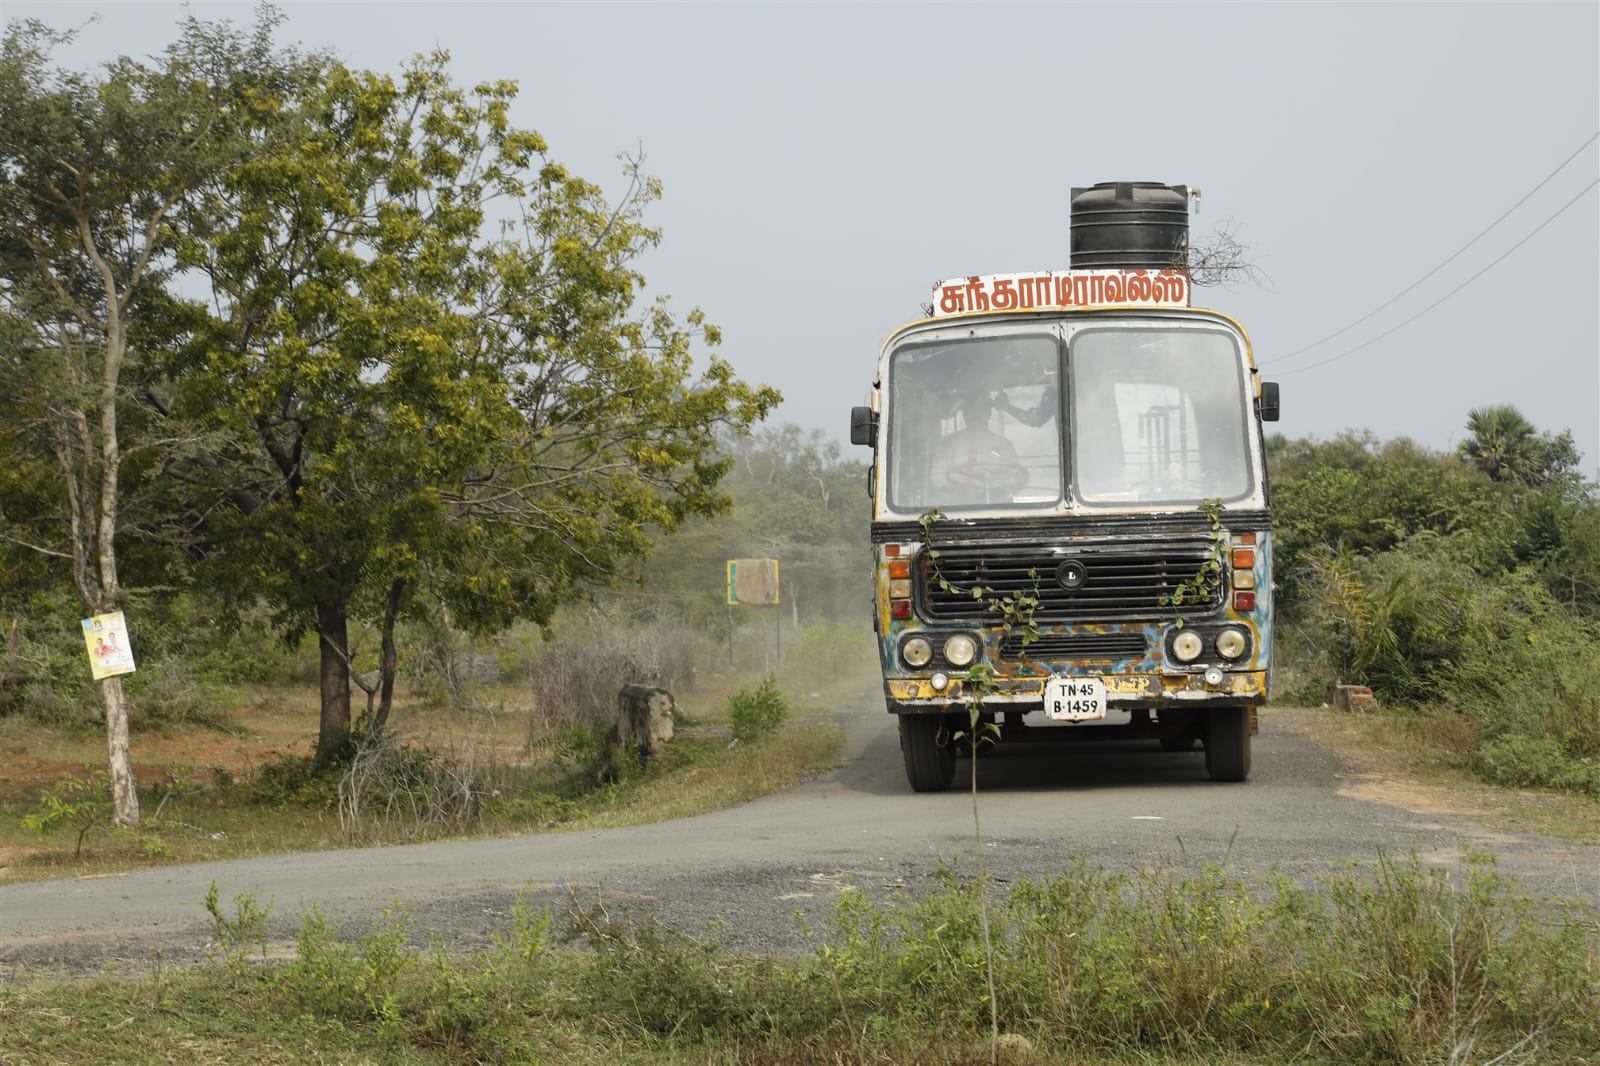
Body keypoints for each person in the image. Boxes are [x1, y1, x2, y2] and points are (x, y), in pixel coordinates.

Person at [933, 393, 1026, 504]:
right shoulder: (948, 443)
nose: (976, 414)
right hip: (957, 504)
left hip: (996, 503)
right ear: (965, 415)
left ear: (988, 414)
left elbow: (1015, 475)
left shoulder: (1004, 445)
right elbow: (936, 474)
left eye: (981, 410)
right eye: (971, 410)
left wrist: (997, 485)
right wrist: (954, 489)